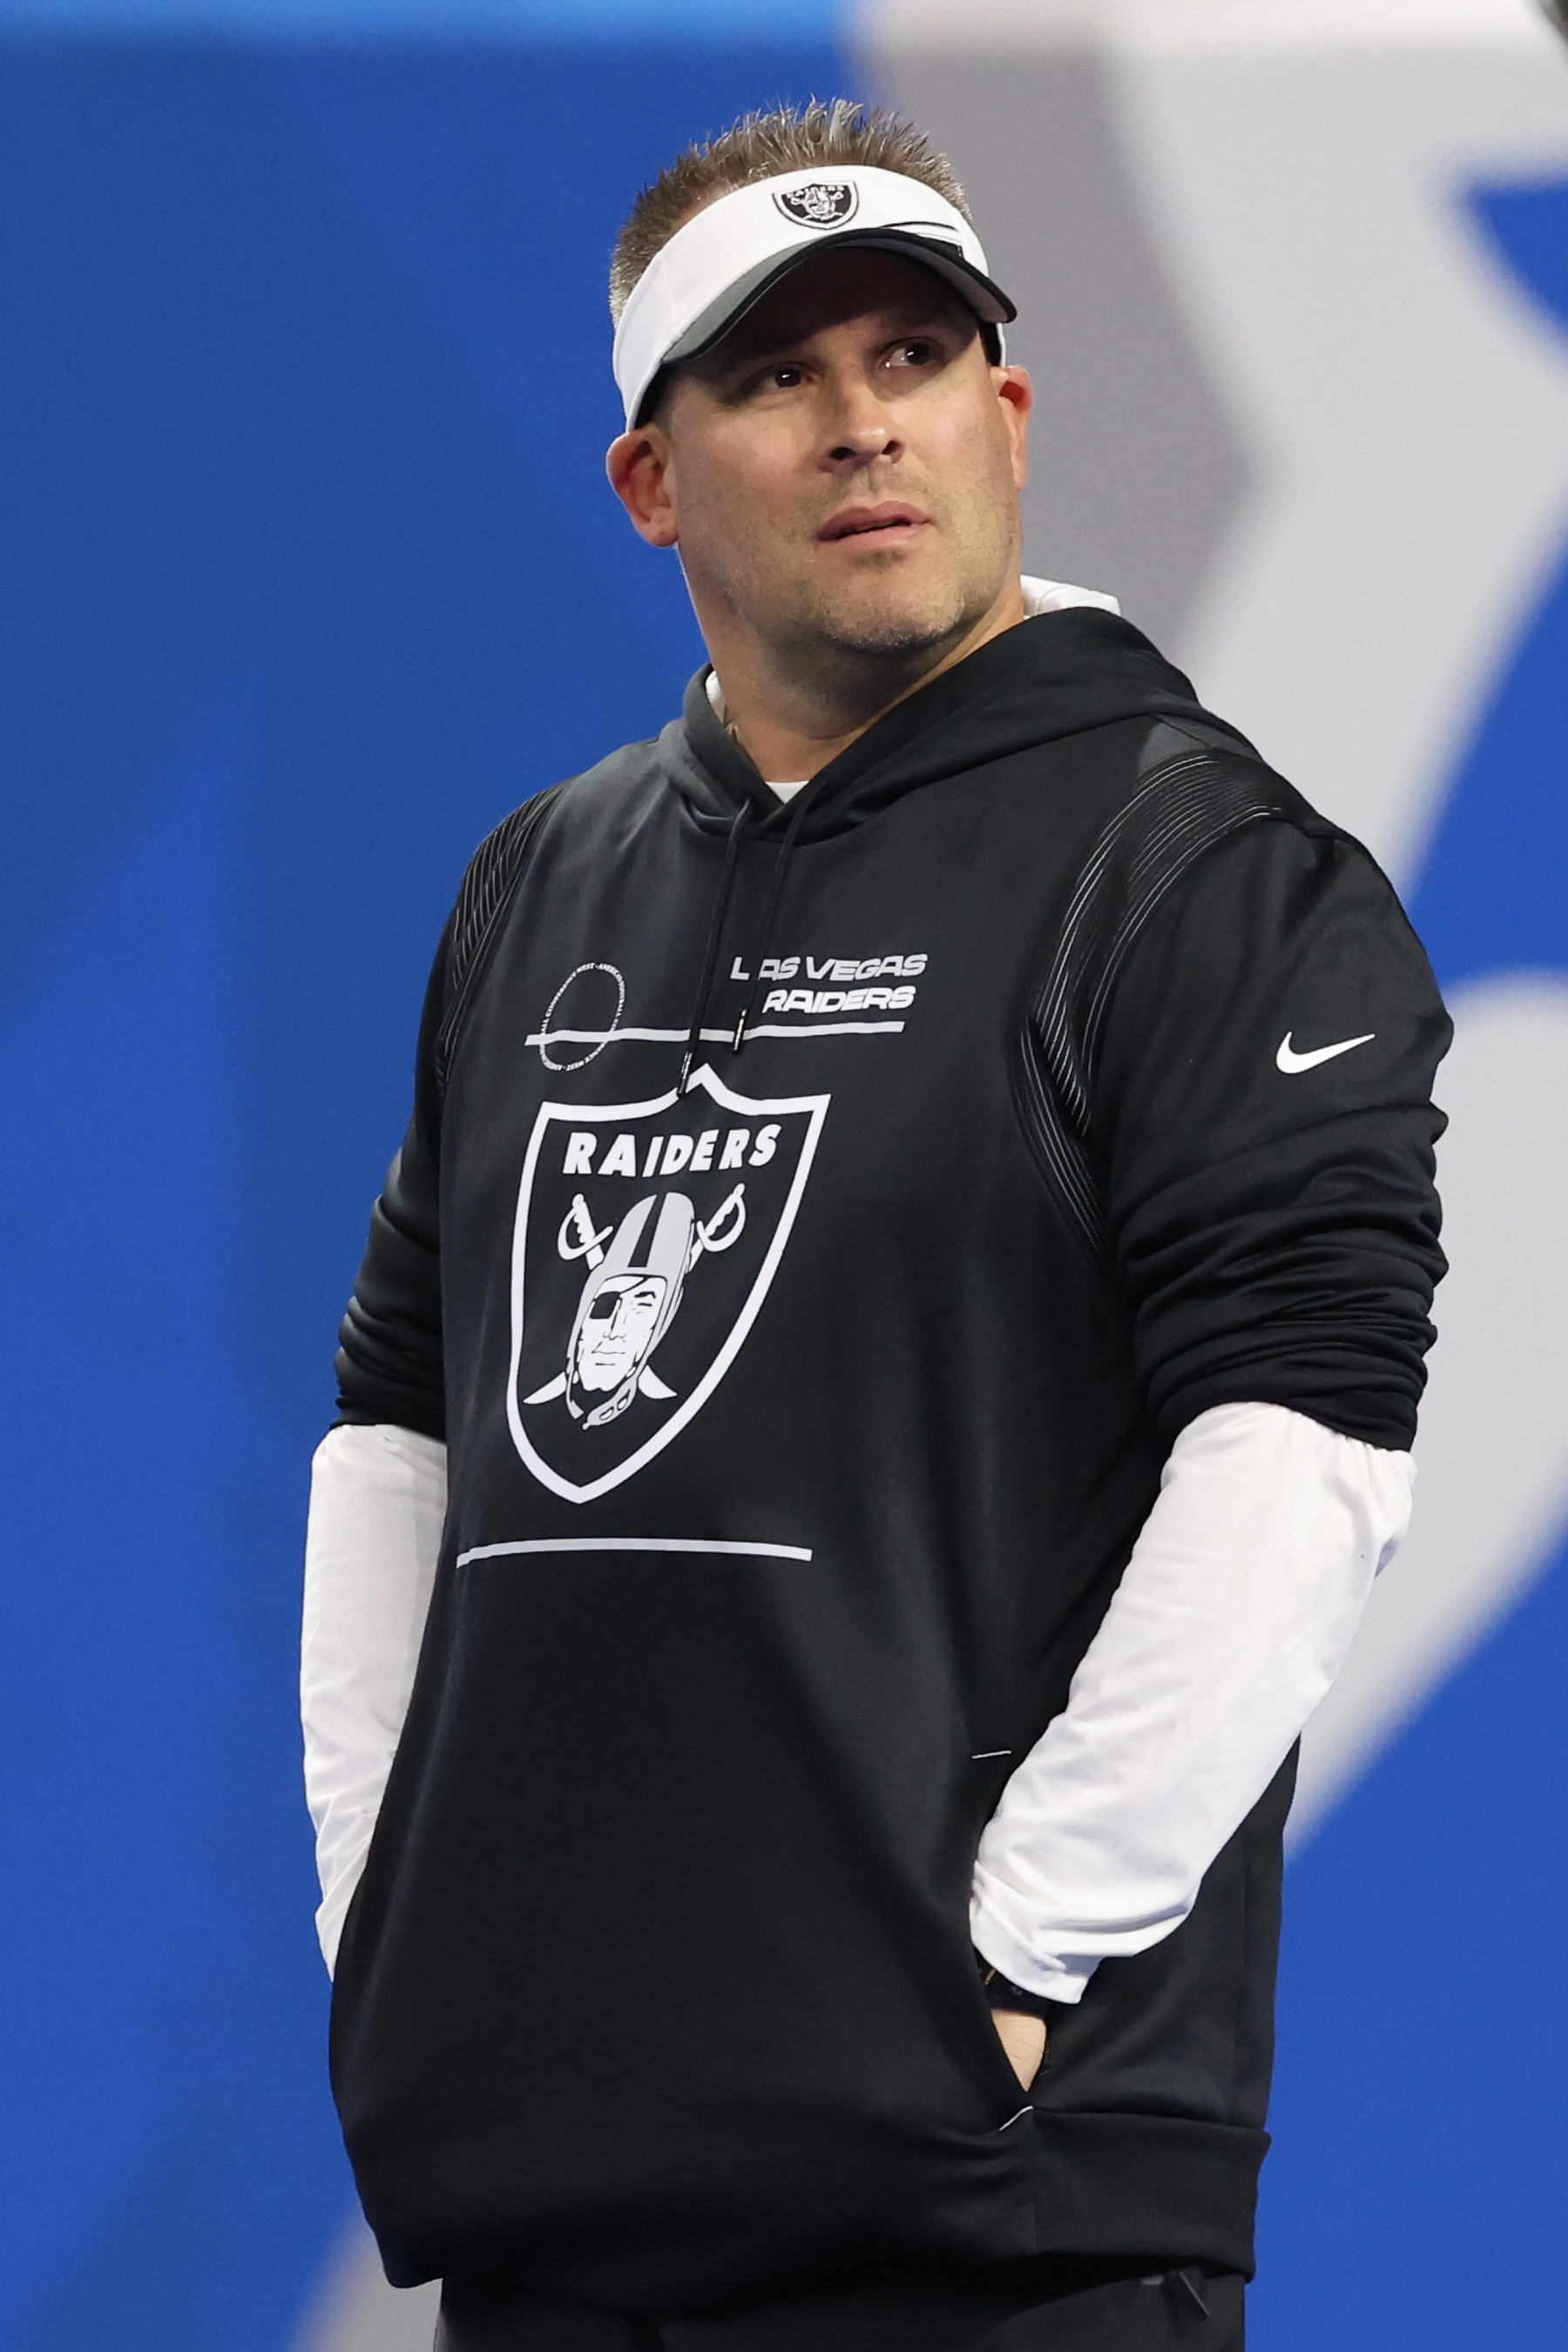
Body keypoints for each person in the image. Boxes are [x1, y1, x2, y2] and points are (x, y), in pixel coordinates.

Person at [301, 100, 1450, 2352]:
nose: (862, 425)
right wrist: (392, 1917)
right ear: (653, 477)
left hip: (978, 2211)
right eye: (772, 375)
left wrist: (1012, 1963)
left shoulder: (1199, 863)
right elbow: (394, 1427)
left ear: (1005, 410)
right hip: (550, 2178)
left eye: (914, 356)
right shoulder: (544, 873)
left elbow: (1307, 1439)